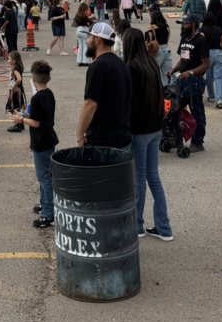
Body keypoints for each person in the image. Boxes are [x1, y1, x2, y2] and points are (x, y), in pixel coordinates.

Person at [124, 28, 172, 241]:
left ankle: (138, 224)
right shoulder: (151, 62)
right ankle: (163, 227)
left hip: (141, 128)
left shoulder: (133, 67)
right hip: (155, 125)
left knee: (139, 177)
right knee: (153, 176)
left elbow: (131, 102)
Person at [10, 60, 57, 229]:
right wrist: (26, 113)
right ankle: (46, 204)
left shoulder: (37, 98)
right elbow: (41, 116)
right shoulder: (49, 94)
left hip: (41, 142)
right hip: (49, 139)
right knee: (46, 176)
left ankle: (48, 214)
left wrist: (21, 119)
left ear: (34, 80)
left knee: (44, 177)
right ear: (49, 78)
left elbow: (36, 123)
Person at [76, 23, 132, 152]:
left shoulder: (97, 66)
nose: (87, 40)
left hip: (103, 141)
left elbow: (90, 104)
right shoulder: (122, 64)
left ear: (97, 39)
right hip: (123, 138)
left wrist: (80, 135)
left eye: (89, 37)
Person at [170, 15, 210, 152]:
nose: (182, 26)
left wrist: (191, 73)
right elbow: (183, 59)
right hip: (181, 80)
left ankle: (197, 143)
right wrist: (173, 70)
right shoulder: (184, 39)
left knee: (196, 112)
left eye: (185, 24)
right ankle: (177, 139)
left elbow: (206, 64)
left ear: (193, 24)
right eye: (182, 24)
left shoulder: (201, 41)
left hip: (195, 82)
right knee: (175, 110)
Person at [201, 13, 222, 107]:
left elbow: (202, 41)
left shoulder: (203, 30)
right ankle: (219, 100)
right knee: (219, 78)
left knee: (209, 77)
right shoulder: (219, 29)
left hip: (208, 54)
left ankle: (211, 96)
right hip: (219, 53)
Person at [145, 10, 173, 80]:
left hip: (157, 50)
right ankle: (168, 89)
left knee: (153, 71)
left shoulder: (151, 27)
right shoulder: (167, 27)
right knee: (167, 73)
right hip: (167, 49)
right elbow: (167, 38)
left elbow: (149, 42)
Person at [5, 51, 27, 133]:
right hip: (17, 90)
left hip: (16, 91)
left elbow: (19, 79)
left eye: (9, 59)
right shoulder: (16, 67)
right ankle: (20, 124)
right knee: (17, 106)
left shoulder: (15, 69)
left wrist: (14, 86)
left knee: (16, 107)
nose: (8, 60)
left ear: (14, 60)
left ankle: (18, 125)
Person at [73, 2, 93, 67]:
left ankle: (80, 61)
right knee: (85, 46)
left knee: (80, 46)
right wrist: (90, 18)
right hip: (84, 30)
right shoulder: (84, 16)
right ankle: (85, 61)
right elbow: (90, 22)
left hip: (78, 30)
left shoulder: (77, 15)